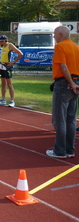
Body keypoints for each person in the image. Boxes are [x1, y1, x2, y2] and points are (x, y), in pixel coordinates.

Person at [46, 26, 79, 158]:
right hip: (76, 82)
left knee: (60, 119)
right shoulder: (76, 47)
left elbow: (63, 66)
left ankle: (60, 150)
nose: (53, 37)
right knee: (71, 119)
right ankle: (69, 150)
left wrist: (70, 83)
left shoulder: (60, 47)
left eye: (54, 34)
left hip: (64, 83)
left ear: (60, 34)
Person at [0, 35, 23, 107]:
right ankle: (3, 99)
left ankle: (12, 101)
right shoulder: (3, 47)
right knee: (3, 83)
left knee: (9, 84)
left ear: (4, 41)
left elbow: (20, 54)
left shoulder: (10, 45)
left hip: (8, 67)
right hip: (2, 66)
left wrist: (13, 62)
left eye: (0, 41)